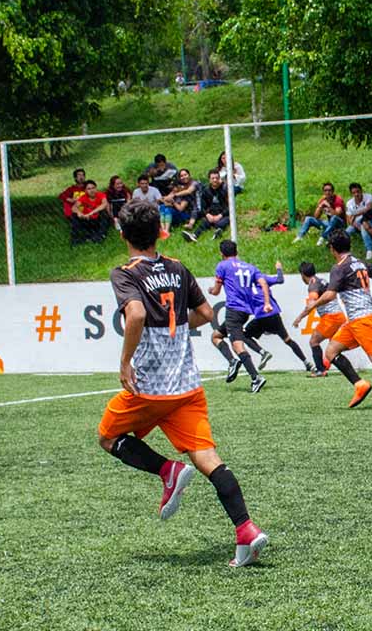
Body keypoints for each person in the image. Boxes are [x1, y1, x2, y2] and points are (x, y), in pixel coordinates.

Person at [96, 201, 267, 568]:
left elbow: (137, 313)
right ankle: (246, 530)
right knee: (208, 459)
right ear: (161, 230)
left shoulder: (125, 273)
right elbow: (206, 314)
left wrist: (125, 361)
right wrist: (173, 323)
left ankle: (168, 471)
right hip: (187, 385)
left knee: (108, 437)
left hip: (150, 385)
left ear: (122, 233)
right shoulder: (177, 267)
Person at [292, 231, 372, 411]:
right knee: (330, 351)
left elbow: (330, 295)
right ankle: (360, 384)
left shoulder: (339, 267)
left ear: (332, 248)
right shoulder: (359, 263)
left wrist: (312, 306)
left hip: (363, 318)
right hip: (356, 320)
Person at [209, 240, 271, 393]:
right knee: (216, 336)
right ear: (237, 251)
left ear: (222, 253)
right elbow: (263, 283)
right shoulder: (250, 267)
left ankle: (255, 377)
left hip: (233, 310)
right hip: (245, 311)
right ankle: (232, 362)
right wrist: (267, 302)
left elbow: (216, 291)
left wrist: (211, 290)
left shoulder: (222, 266)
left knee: (237, 346)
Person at [240, 260, 311, 372]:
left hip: (261, 316)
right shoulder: (262, 277)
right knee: (288, 340)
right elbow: (280, 279)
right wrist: (279, 268)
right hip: (273, 314)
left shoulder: (243, 284)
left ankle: (262, 352)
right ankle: (307, 362)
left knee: (243, 335)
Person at [297, 260, 354, 377]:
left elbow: (311, 305)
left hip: (331, 317)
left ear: (303, 274)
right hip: (339, 316)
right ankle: (330, 365)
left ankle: (320, 370)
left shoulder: (313, 285)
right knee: (334, 346)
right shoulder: (320, 280)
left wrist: (299, 317)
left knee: (314, 341)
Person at [183, 170, 230, 242]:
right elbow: (203, 207)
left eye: (217, 178)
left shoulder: (225, 189)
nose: (215, 180)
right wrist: (208, 215)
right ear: (209, 180)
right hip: (211, 215)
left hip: (222, 214)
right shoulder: (205, 190)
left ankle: (217, 233)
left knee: (222, 223)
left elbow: (229, 206)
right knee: (204, 223)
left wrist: (220, 215)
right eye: (213, 178)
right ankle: (194, 236)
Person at [72, 179, 111, 244]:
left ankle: (101, 236)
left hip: (98, 220)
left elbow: (104, 204)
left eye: (93, 188)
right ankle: (75, 238)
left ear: (96, 188)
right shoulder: (83, 197)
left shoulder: (101, 195)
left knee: (104, 213)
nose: (92, 190)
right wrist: (79, 213)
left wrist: (91, 213)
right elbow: (74, 207)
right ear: (85, 191)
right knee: (74, 215)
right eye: (89, 189)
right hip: (88, 220)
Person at [343, 183, 372, 259]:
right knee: (346, 232)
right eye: (354, 193)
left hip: (369, 220)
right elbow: (349, 219)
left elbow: (368, 209)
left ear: (361, 191)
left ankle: (370, 249)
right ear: (351, 194)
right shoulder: (349, 203)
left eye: (358, 191)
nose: (356, 194)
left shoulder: (368, 196)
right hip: (356, 223)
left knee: (363, 226)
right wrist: (356, 225)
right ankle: (343, 249)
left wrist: (354, 214)